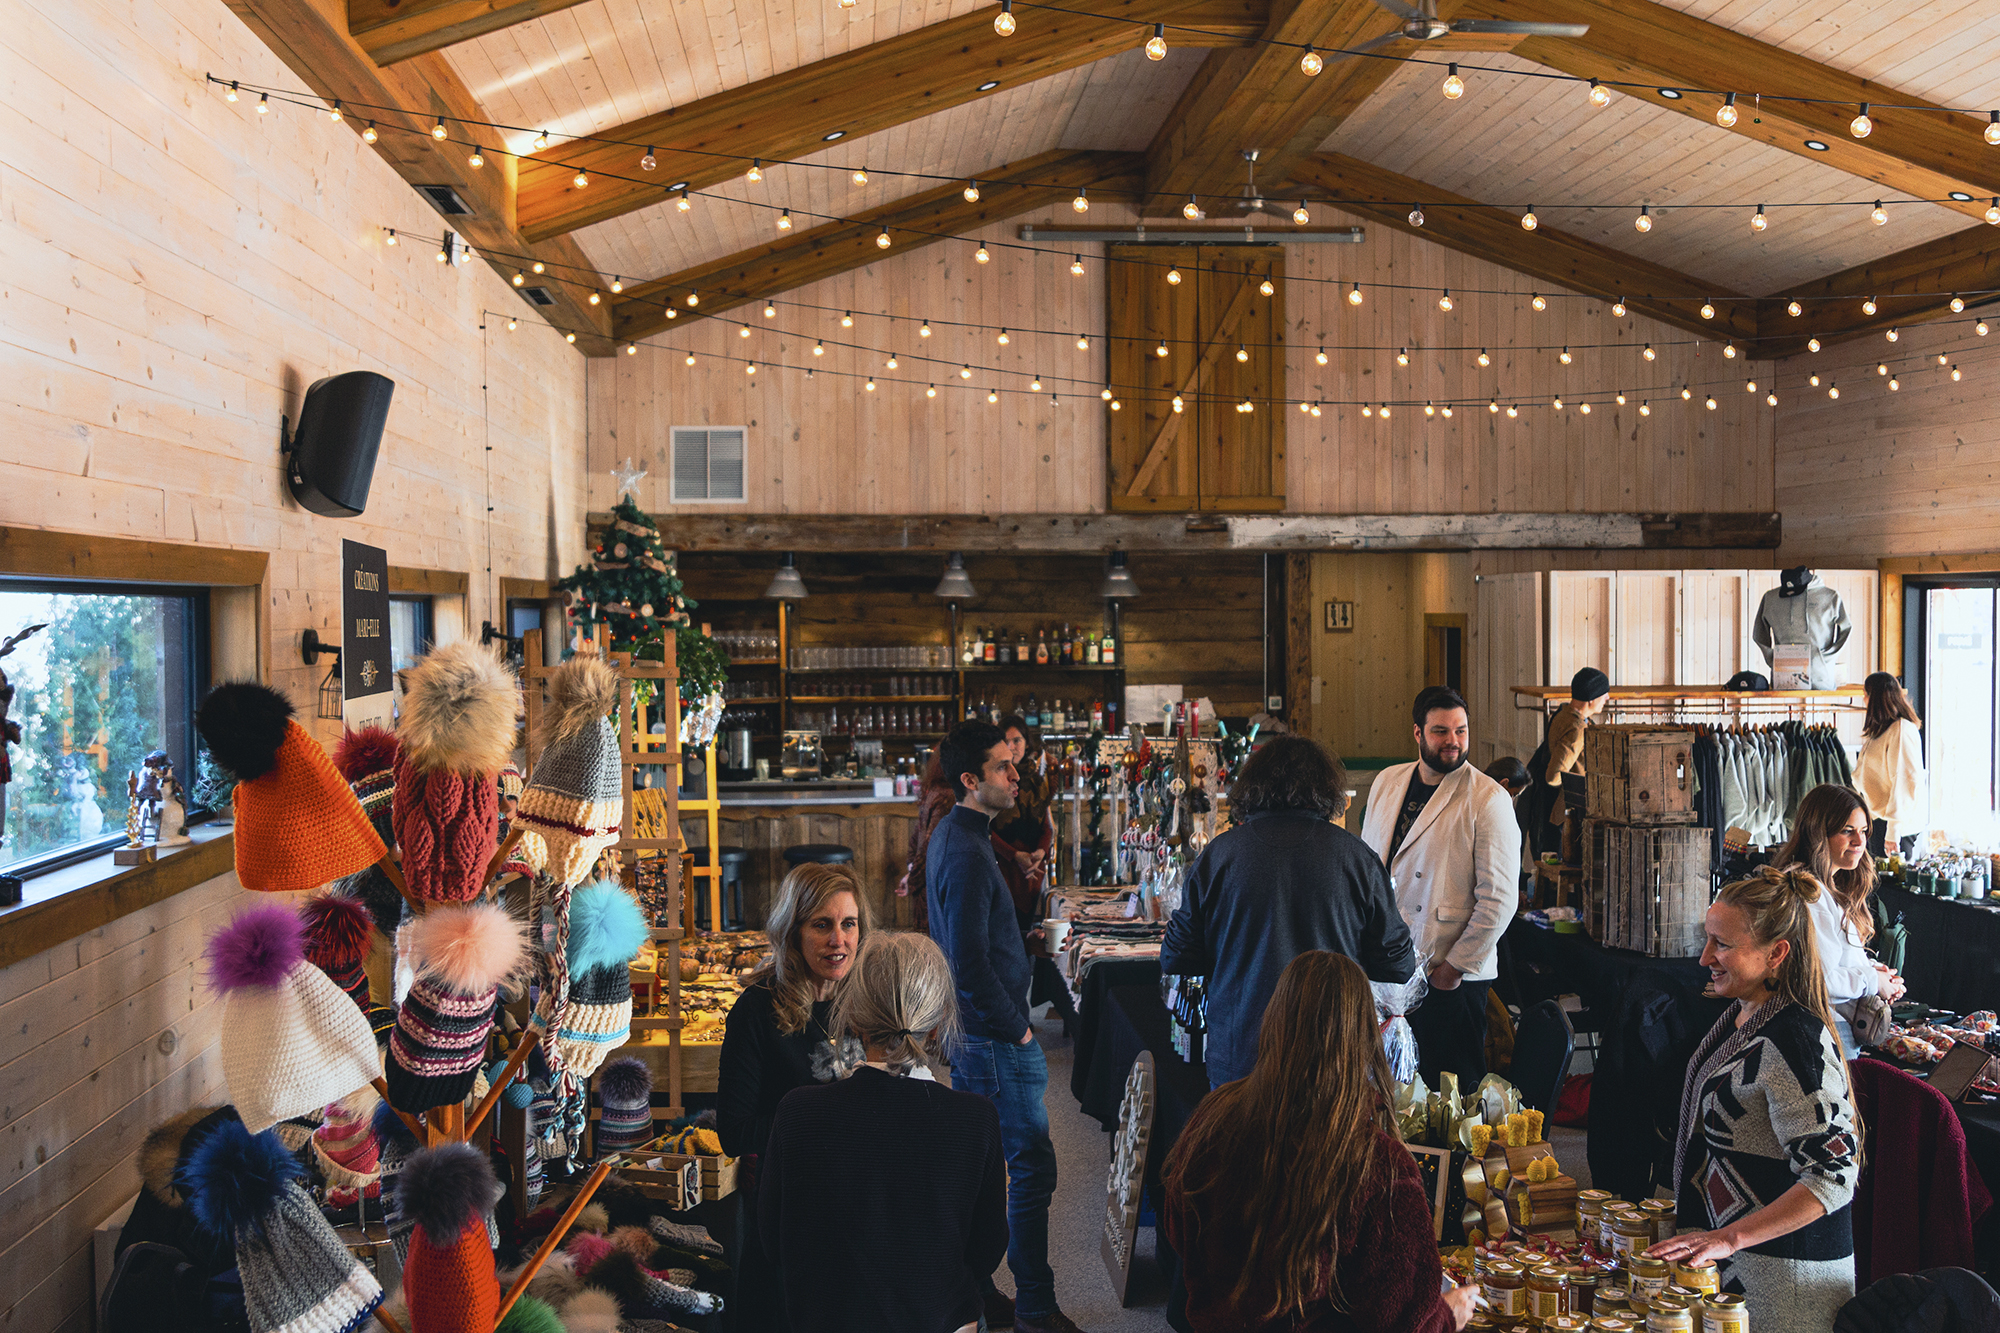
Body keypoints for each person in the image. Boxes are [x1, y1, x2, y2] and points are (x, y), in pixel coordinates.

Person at [1162, 951, 1478, 1333]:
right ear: (1366, 1034)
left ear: (1274, 1019)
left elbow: (1180, 1233)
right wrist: (1448, 1316)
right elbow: (1400, 1320)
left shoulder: (1213, 1117)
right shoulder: (1378, 1162)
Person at [1648, 866, 1861, 1333]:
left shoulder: (1797, 1042)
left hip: (1787, 1288)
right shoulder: (1744, 1015)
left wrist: (1730, 1237)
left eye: (1722, 944)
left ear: (1776, 953)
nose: (1705, 957)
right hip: (1739, 1269)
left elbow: (1833, 1177)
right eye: (1708, 939)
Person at [760, 932, 1007, 1333]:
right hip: (937, 1319)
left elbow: (774, 1243)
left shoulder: (798, 1112)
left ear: (854, 1019)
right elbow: (985, 1255)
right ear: (939, 1023)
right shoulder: (976, 1120)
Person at [926, 720, 1080, 1333]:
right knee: (1030, 1168)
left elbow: (979, 940)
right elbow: (964, 963)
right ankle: (1036, 1308)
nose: (1016, 774)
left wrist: (1024, 941)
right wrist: (1017, 1029)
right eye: (1001, 767)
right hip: (992, 1038)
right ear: (971, 780)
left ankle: (978, 1293)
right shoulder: (964, 849)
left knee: (986, 1170)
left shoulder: (964, 835)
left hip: (983, 1033)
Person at [1161, 735, 1416, 1088]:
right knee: (1331, 1145)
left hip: (1242, 1050)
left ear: (1252, 786)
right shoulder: (1357, 858)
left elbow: (1177, 957)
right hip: (1333, 1051)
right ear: (1327, 788)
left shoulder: (1219, 856)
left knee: (1242, 1143)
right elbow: (1398, 963)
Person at [717, 863, 870, 1332]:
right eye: (821, 925)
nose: (838, 941)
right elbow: (734, 1131)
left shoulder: (870, 997)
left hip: (864, 1192)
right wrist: (829, 1119)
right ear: (793, 932)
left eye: (849, 924)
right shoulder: (757, 1009)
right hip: (790, 1202)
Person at [1360, 685, 1520, 1087]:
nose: (1453, 742)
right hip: (1389, 968)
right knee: (1393, 1083)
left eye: (1461, 731)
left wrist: (1453, 970)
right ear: (1418, 733)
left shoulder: (1488, 798)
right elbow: (1367, 868)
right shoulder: (1386, 782)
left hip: (1449, 974)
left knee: (1451, 1088)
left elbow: (1499, 899)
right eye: (1441, 732)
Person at [1772, 784, 1905, 1055]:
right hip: (1825, 1034)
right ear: (1818, 832)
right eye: (1847, 830)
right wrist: (1872, 981)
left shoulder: (1823, 887)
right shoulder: (1812, 896)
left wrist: (1874, 971)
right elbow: (1818, 981)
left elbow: (1829, 957)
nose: (1860, 841)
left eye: (1864, 831)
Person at [1525, 667, 1610, 857]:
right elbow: (1554, 776)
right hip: (1569, 812)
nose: (1607, 699)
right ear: (1592, 698)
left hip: (1558, 810)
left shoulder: (1562, 714)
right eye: (1604, 694)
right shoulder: (1577, 729)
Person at [1855, 672, 1927, 858]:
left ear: (1874, 698)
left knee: (1889, 885)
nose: (1864, 699)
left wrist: (1893, 832)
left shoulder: (1901, 730)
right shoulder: (1880, 731)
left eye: (1866, 694)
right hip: (1877, 821)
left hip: (1894, 825)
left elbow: (1904, 783)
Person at [991, 716, 1054, 926]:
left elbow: (1047, 826)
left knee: (1034, 931)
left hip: (1033, 869)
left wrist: (1041, 853)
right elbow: (985, 830)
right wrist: (1014, 855)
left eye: (1017, 740)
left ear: (1026, 742)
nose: (1012, 747)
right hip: (1004, 868)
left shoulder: (1037, 781)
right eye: (1006, 741)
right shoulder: (993, 781)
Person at [900, 751, 958, 935]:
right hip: (934, 882)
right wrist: (913, 877)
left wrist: (911, 871)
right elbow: (930, 845)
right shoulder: (948, 797)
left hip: (925, 881)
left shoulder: (932, 792)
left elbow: (917, 838)